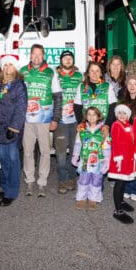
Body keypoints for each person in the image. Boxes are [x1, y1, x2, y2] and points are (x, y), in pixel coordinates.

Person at [20, 44, 62, 197]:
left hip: (44, 119)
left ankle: (42, 182)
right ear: (30, 56)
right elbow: (18, 96)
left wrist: (56, 118)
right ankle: (29, 180)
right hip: (26, 120)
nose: (37, 57)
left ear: (43, 56)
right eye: (34, 54)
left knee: (45, 151)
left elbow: (57, 97)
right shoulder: (22, 71)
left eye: (40, 54)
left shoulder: (51, 73)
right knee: (28, 151)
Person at [0, 54, 27, 207]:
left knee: (13, 161)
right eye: (5, 65)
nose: (8, 68)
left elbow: (21, 107)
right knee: (4, 160)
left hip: (11, 128)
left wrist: (14, 127)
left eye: (11, 65)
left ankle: (11, 193)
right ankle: (5, 188)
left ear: (15, 67)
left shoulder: (19, 85)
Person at [54, 50, 82, 194]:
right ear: (61, 61)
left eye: (70, 58)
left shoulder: (79, 76)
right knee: (60, 154)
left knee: (74, 151)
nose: (68, 60)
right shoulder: (55, 75)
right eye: (65, 58)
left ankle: (72, 178)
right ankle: (62, 180)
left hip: (76, 121)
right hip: (60, 121)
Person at [71, 107, 110, 211]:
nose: (91, 117)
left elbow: (106, 147)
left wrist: (107, 161)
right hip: (84, 160)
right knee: (83, 179)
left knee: (96, 180)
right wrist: (75, 156)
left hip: (99, 161)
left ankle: (93, 199)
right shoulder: (82, 130)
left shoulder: (103, 131)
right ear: (86, 116)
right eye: (89, 114)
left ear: (98, 116)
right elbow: (78, 144)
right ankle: (81, 199)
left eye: (94, 114)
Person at [117, 73, 136, 201]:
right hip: (125, 137)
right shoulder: (123, 100)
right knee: (127, 163)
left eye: (135, 84)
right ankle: (127, 187)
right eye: (130, 84)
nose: (132, 86)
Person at [108, 104, 136, 224]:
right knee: (119, 183)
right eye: (119, 113)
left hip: (128, 159)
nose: (122, 115)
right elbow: (116, 143)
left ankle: (121, 201)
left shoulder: (129, 125)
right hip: (119, 160)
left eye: (124, 113)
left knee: (124, 182)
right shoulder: (116, 125)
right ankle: (118, 210)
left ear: (128, 116)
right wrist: (118, 158)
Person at [74, 61, 117, 127]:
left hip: (104, 124)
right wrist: (81, 124)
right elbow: (77, 107)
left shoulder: (108, 86)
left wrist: (107, 125)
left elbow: (113, 107)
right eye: (92, 71)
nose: (94, 73)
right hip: (86, 126)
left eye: (97, 71)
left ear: (101, 73)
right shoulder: (81, 87)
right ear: (88, 73)